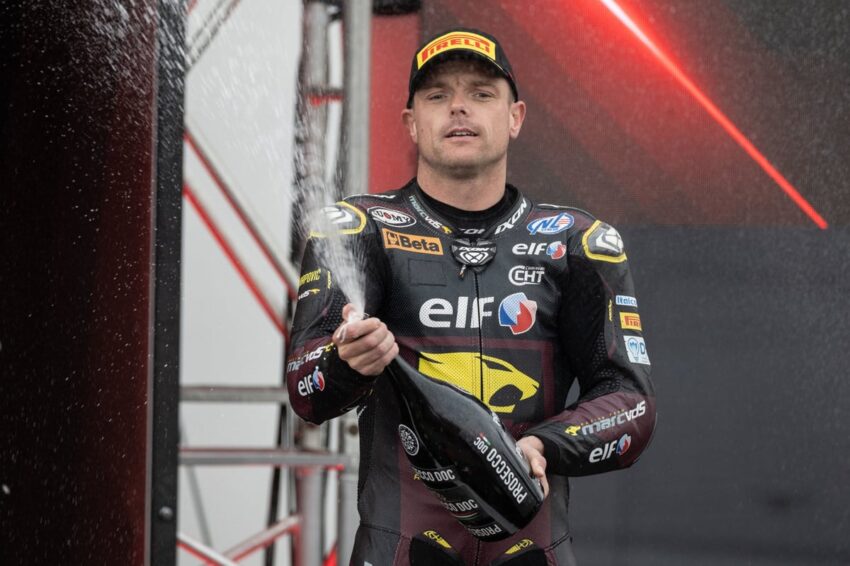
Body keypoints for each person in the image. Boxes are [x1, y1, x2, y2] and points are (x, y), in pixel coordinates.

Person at [286, 27, 656, 566]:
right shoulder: (357, 230)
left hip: (532, 550)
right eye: (438, 95)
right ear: (411, 123)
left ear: (515, 117)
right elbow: (304, 391)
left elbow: (632, 403)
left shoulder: (577, 242)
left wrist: (542, 446)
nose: (459, 107)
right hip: (402, 550)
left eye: (481, 93)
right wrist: (345, 362)